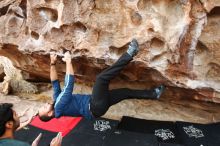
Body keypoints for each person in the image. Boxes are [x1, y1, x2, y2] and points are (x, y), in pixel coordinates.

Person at [38, 39, 165, 121]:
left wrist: (52, 63)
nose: (43, 105)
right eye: (43, 108)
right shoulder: (59, 106)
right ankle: (130, 54)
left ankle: (154, 94)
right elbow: (68, 86)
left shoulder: (56, 101)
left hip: (96, 108)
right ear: (49, 114)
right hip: (94, 106)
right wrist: (68, 61)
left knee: (125, 92)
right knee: (101, 79)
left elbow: (54, 82)